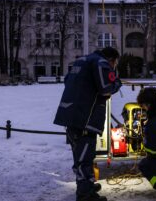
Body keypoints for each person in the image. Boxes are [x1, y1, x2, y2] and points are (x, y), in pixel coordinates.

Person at [54, 47, 122, 201]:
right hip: (85, 119)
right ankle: (85, 194)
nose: (114, 66)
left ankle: (88, 185)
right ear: (112, 59)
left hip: (71, 116)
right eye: (115, 63)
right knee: (84, 159)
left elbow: (67, 81)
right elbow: (106, 89)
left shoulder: (81, 61)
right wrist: (117, 82)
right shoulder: (101, 63)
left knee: (81, 156)